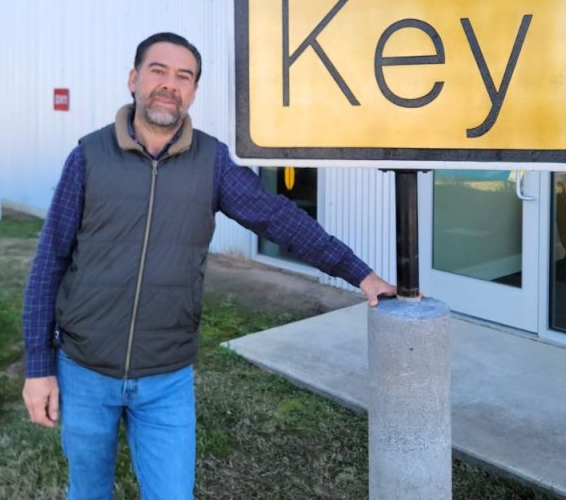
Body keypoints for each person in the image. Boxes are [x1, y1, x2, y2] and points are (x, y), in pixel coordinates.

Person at [22, 31, 395, 500]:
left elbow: (277, 217)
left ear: (193, 91)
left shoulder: (211, 162)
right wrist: (39, 366)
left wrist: (358, 272)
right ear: (134, 79)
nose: (169, 84)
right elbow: (49, 261)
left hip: (165, 379)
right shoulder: (89, 157)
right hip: (84, 369)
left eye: (184, 76)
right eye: (158, 71)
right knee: (88, 491)